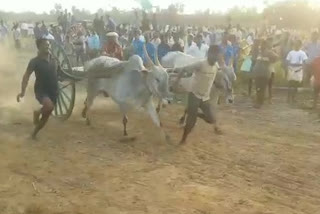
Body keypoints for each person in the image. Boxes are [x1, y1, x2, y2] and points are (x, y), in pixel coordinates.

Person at [172, 45, 223, 145]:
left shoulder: (216, 67)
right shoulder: (200, 64)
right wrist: (176, 81)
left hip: (205, 97)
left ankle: (194, 113)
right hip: (194, 95)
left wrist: (218, 85)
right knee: (191, 122)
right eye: (216, 55)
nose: (217, 57)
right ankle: (183, 139)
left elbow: (212, 80)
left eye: (218, 55)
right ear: (210, 54)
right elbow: (184, 69)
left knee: (211, 119)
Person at [17, 38, 58, 139]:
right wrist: (22, 92)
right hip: (41, 90)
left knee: (46, 116)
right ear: (39, 47)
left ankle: (34, 133)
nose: (48, 46)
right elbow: (26, 76)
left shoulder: (54, 60)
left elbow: (60, 73)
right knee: (49, 107)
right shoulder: (34, 61)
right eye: (45, 45)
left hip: (54, 90)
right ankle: (37, 112)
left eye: (48, 45)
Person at [252, 40, 278, 108]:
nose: (261, 46)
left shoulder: (269, 52)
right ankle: (258, 101)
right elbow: (252, 59)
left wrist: (269, 60)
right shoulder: (258, 52)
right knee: (258, 88)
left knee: (262, 88)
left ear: (265, 45)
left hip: (265, 73)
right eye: (261, 45)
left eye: (263, 45)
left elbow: (276, 57)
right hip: (257, 72)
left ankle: (260, 103)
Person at [286, 40, 308, 104]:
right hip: (291, 69)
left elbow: (305, 62)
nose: (296, 45)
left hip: (299, 70)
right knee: (290, 84)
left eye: (298, 44)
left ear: (300, 45)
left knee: (296, 85)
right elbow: (287, 61)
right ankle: (288, 98)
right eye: (295, 44)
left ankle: (294, 98)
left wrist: (302, 67)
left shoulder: (302, 53)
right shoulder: (290, 53)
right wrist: (291, 66)